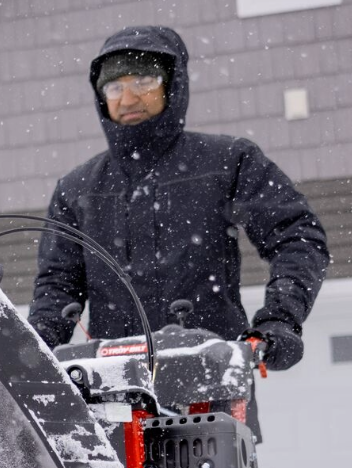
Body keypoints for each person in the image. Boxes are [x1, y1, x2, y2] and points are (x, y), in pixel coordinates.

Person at [28, 26, 328, 370]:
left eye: (143, 82)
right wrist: (34, 352)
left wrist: (279, 318)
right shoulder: (77, 189)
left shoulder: (228, 161)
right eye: (114, 86)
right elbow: (57, 285)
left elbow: (297, 237)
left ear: (171, 84)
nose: (127, 99)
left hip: (211, 376)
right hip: (113, 387)